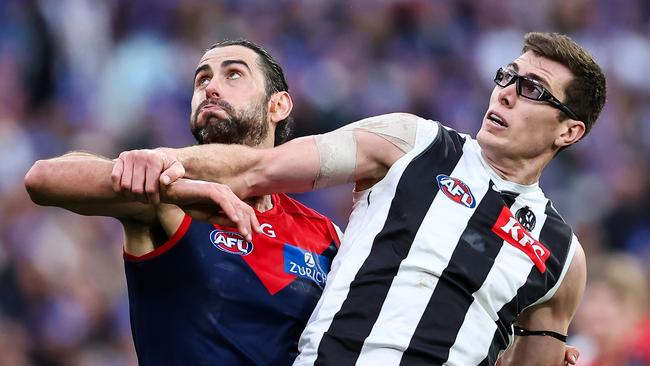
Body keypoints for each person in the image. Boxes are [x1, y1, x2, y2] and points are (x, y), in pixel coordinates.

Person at [112, 32, 603, 365]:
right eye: (506, 76)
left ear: (569, 130)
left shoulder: (563, 256)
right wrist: (157, 159)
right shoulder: (411, 142)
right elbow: (257, 168)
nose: (505, 94)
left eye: (532, 89)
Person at [24, 40, 342, 366]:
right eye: (202, 79)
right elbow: (42, 179)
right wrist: (166, 188)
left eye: (233, 74)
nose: (211, 87)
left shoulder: (326, 235)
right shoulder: (168, 198)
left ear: (278, 106)